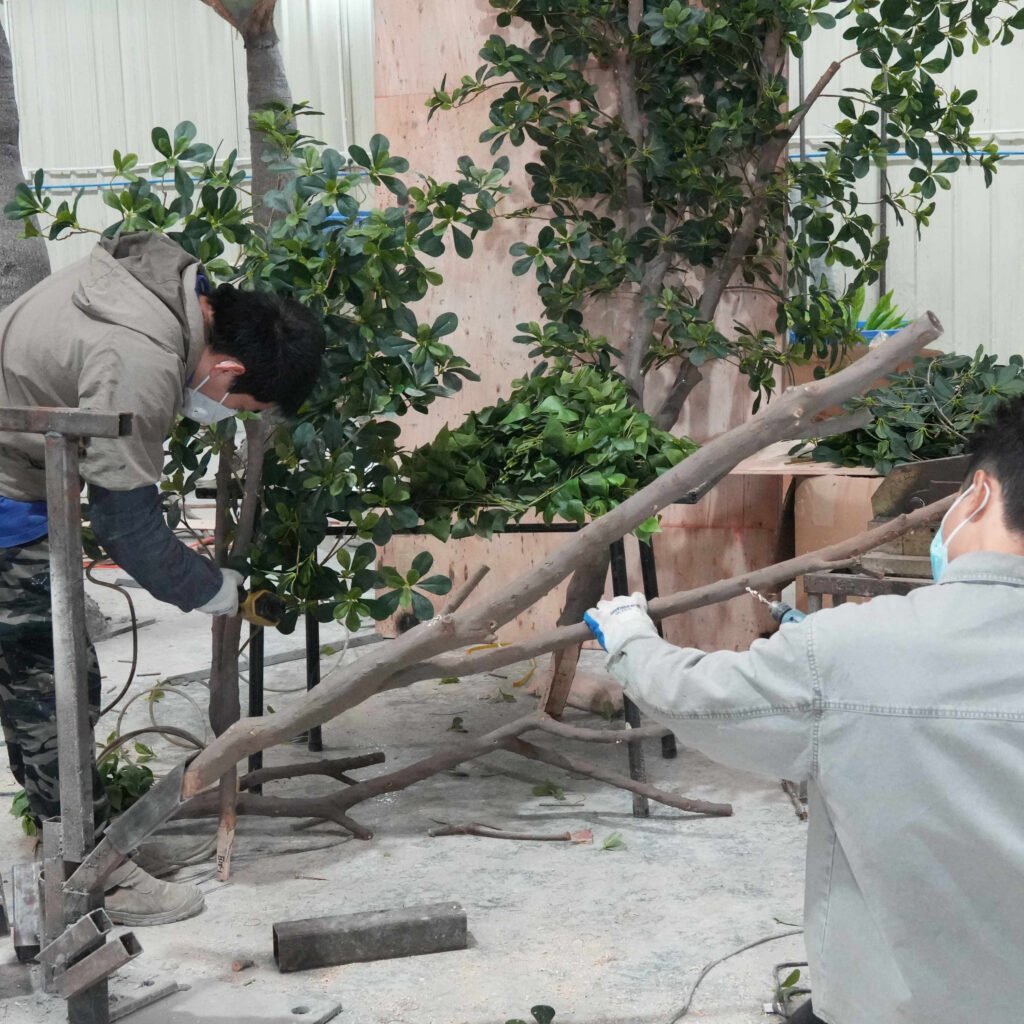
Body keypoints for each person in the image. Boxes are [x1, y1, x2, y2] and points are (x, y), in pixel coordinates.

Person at [584, 398, 1024, 1024]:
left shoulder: (848, 647)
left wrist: (629, 638)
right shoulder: (844, 648)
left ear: (978, 495)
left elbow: (699, 698)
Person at [0, 232, 325, 926]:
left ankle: (63, 851)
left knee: (45, 688)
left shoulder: (163, 290)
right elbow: (130, 530)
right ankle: (90, 878)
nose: (221, 416)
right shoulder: (142, 360)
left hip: (22, 484)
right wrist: (220, 590)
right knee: (54, 694)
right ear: (229, 366)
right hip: (6, 500)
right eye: (240, 408)